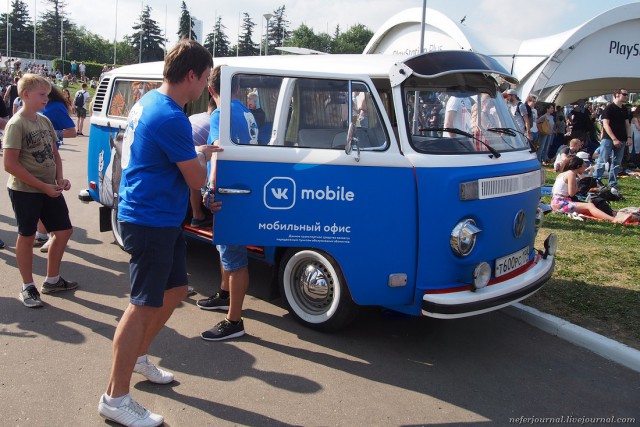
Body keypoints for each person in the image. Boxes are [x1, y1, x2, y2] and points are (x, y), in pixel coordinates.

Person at [97, 40, 217, 427]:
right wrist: (202, 156)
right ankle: (115, 398)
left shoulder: (151, 102)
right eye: (206, 80)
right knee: (142, 304)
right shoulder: (170, 116)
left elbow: (165, 154)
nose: (206, 89)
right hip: (149, 219)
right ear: (192, 75)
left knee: (176, 290)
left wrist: (195, 149)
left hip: (155, 217)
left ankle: (140, 356)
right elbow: (196, 178)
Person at [2, 74, 78, 308]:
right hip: (25, 190)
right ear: (25, 95)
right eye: (42, 95)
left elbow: (54, 153)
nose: (47, 99)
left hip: (49, 188)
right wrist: (43, 185)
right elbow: (10, 165)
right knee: (26, 236)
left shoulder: (43, 120)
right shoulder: (17, 123)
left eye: (47, 94)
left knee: (63, 231)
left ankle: (52, 280)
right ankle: (28, 286)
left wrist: (59, 179)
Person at [197, 65, 257, 341]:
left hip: (229, 191)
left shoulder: (221, 113)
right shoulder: (247, 112)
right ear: (237, 88)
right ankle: (224, 294)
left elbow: (218, 152)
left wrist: (210, 189)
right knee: (225, 247)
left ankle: (234, 321)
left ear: (211, 90)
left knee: (234, 255)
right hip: (244, 187)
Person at [551, 155, 629, 224]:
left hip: (555, 202)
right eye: (584, 166)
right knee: (590, 205)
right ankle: (614, 220)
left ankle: (613, 216)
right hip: (561, 203)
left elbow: (555, 190)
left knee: (589, 209)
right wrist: (578, 184)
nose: (585, 169)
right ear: (579, 166)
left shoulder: (563, 174)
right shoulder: (571, 174)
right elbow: (572, 193)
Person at [594, 89, 633, 189]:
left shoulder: (624, 109)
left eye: (627, 94)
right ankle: (596, 181)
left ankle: (613, 183)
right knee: (602, 160)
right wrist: (614, 139)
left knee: (617, 163)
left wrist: (629, 137)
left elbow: (627, 124)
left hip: (622, 138)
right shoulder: (609, 108)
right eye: (624, 94)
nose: (626, 96)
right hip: (608, 139)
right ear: (616, 95)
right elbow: (605, 124)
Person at [189, 95, 216, 228]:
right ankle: (197, 215)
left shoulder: (195, 116)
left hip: (179, 155)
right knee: (197, 180)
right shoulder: (215, 123)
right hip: (189, 157)